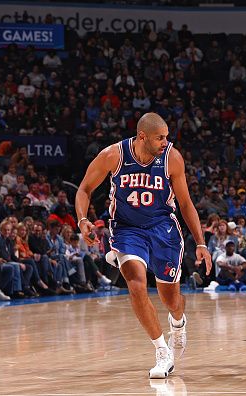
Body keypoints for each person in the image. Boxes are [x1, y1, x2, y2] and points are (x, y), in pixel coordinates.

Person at [75, 112, 212, 379]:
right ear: (142, 137)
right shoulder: (113, 155)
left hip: (164, 230)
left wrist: (201, 242)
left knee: (170, 299)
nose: (165, 141)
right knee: (136, 284)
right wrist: (82, 220)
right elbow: (83, 190)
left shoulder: (172, 157)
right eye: (160, 137)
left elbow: (185, 203)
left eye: (166, 137)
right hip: (127, 229)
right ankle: (161, 351)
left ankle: (178, 323)